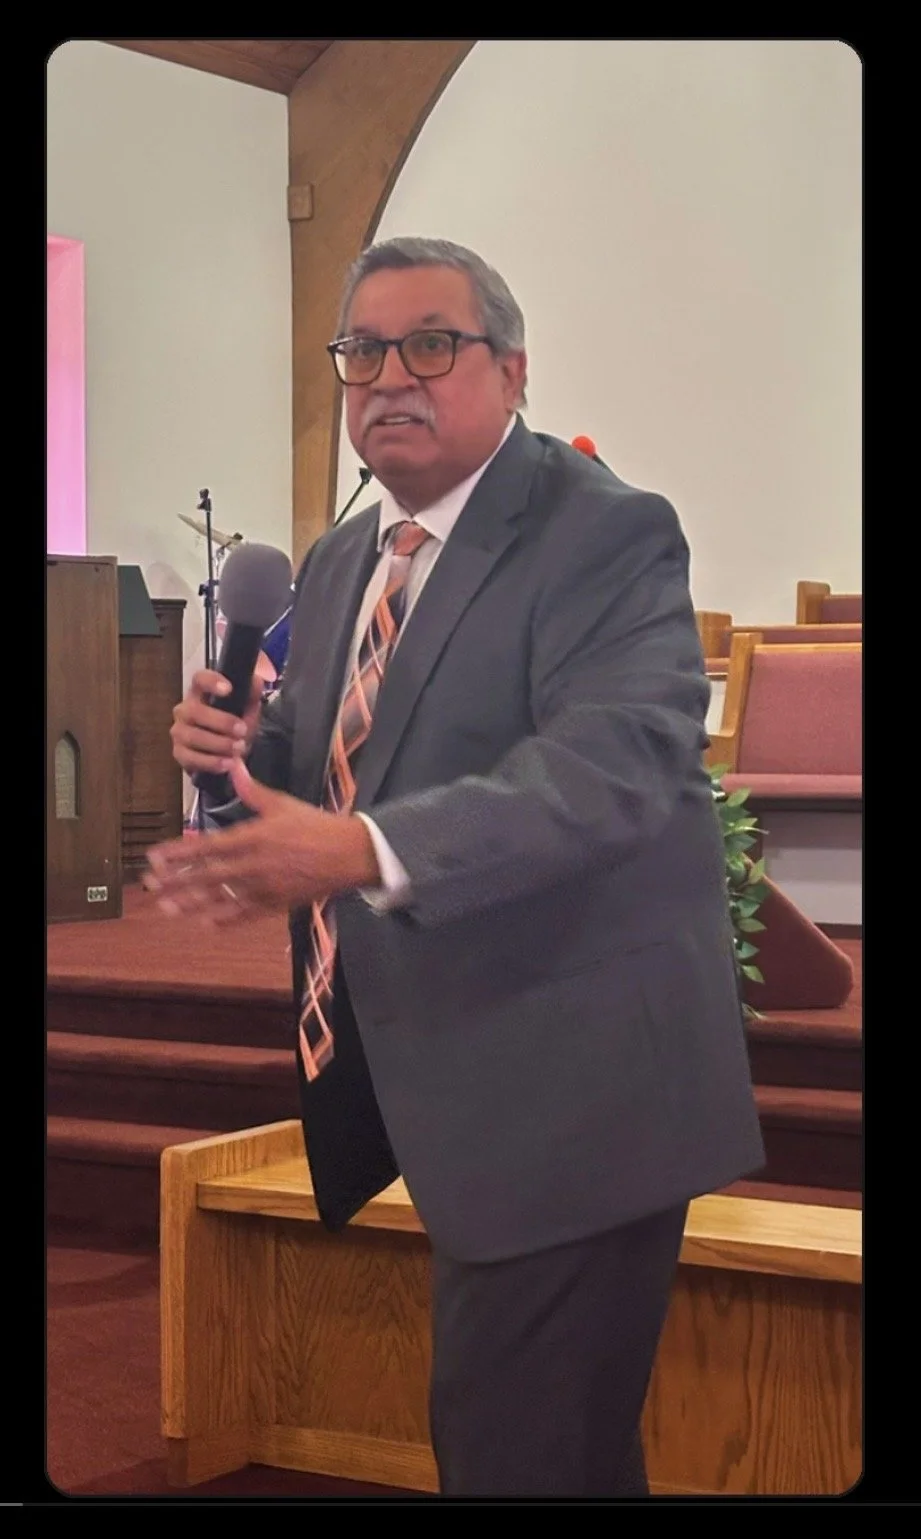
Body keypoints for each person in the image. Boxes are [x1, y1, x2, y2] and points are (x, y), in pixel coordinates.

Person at [146, 236, 765, 1498]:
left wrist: (367, 847)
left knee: (523, 1452)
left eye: (432, 344)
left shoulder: (604, 532)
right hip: (448, 1063)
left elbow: (615, 763)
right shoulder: (346, 557)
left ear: (513, 370)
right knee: (536, 1448)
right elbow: (320, 753)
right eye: (361, 352)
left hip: (579, 1079)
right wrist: (225, 761)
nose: (389, 378)